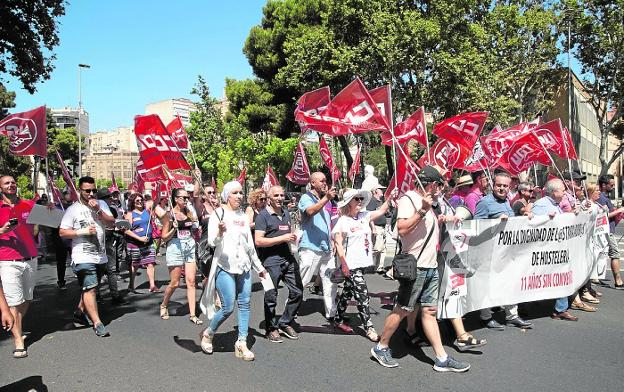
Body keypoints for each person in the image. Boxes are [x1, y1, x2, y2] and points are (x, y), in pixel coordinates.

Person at [371, 166, 470, 372]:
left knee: (429, 311)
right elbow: (402, 229)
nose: (440, 190)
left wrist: (443, 217)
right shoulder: (410, 200)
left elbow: (427, 229)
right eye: (439, 186)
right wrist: (423, 210)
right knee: (402, 309)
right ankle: (381, 347)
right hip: (416, 266)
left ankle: (441, 358)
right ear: (432, 185)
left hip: (430, 266)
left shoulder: (430, 203)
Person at [199, 181, 267, 361]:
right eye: (235, 193)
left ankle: (242, 342)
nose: (239, 196)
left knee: (245, 303)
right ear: (227, 196)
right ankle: (209, 333)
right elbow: (212, 243)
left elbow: (249, 245)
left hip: (244, 266)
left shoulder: (244, 217)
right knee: (228, 307)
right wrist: (220, 232)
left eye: (240, 193)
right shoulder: (218, 214)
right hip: (225, 267)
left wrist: (259, 267)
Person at [474, 171, 533, 330]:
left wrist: (523, 217)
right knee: (487, 285)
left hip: (507, 252)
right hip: (489, 252)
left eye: (505, 186)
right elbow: (476, 228)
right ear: (493, 185)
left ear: (510, 187)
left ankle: (512, 316)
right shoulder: (484, 203)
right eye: (499, 185)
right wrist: (495, 222)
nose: (502, 188)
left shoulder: (507, 202)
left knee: (510, 283)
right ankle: (485, 317)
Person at [60, 176, 115, 337]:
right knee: (90, 288)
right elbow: (62, 232)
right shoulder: (73, 209)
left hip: (100, 255)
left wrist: (98, 209)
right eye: (87, 191)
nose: (91, 194)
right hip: (82, 256)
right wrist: (81, 232)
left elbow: (111, 222)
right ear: (80, 191)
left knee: (91, 287)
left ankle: (79, 312)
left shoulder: (101, 204)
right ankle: (97, 323)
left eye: (93, 190)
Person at [333, 188, 392, 341]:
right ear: (349, 203)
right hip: (350, 265)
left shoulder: (365, 216)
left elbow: (382, 210)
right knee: (362, 295)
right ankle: (369, 328)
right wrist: (344, 264)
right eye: (356, 199)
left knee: (347, 292)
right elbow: (338, 244)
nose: (360, 201)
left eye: (361, 199)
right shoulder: (343, 221)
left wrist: (391, 197)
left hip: (362, 264)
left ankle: (338, 319)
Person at [254, 185, 302, 343]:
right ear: (269, 199)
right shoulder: (262, 216)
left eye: (282, 195)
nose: (280, 198)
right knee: (271, 296)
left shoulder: (286, 214)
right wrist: (282, 238)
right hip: (271, 261)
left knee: (298, 292)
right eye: (276, 196)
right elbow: (258, 241)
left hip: (288, 258)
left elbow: (287, 234)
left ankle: (285, 322)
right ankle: (271, 328)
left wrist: (294, 238)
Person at [0, 175, 39, 357]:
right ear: (1, 188)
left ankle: (17, 322)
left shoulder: (28, 205)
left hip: (30, 257)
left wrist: (48, 208)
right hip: (8, 261)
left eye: (13, 182)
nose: (11, 185)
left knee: (27, 299)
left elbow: (48, 219)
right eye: (7, 183)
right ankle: (18, 341)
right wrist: (2, 230)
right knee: (14, 302)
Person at [531, 178, 579, 321]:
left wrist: (573, 215)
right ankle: (526, 306)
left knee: (562, 275)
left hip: (556, 248)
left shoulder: (555, 204)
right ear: (554, 192)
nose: (565, 192)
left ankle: (560, 309)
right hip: (544, 250)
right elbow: (534, 224)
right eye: (563, 190)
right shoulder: (541, 205)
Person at [297, 172, 339, 325]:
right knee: (303, 280)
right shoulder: (306, 197)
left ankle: (332, 314)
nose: (324, 183)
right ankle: (291, 310)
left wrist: (332, 239)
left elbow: (328, 223)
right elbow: (310, 211)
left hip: (326, 248)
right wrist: (327, 198)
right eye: (321, 181)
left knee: (331, 281)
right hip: (310, 247)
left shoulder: (326, 201)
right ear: (312, 183)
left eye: (325, 180)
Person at [159, 188, 202, 324]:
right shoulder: (169, 215)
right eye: (183, 198)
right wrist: (173, 228)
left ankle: (193, 314)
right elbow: (164, 237)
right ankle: (164, 304)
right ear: (176, 199)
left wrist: (196, 227)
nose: (186, 200)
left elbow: (193, 227)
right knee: (175, 283)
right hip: (175, 247)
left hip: (189, 246)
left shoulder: (189, 212)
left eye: (187, 197)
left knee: (191, 281)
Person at [97, 188, 128, 305]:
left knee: (112, 269)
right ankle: (96, 294)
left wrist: (120, 227)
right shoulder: (93, 210)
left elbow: (114, 223)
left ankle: (115, 295)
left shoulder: (112, 210)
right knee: (99, 270)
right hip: (98, 243)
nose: (111, 199)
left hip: (110, 242)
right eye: (107, 198)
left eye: (110, 197)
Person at [124, 193, 159, 293]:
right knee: (135, 265)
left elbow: (156, 201)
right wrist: (139, 238)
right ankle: (131, 285)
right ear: (133, 203)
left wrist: (159, 188)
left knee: (150, 263)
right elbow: (126, 230)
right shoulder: (130, 214)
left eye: (141, 200)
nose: (140, 202)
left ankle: (152, 286)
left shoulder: (147, 210)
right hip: (135, 244)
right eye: (137, 201)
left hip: (148, 242)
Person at [597, 174, 624, 289]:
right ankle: (618, 281)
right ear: (604, 185)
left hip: (608, 229)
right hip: (606, 231)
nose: (613, 187)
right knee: (615, 253)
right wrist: (619, 210)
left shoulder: (604, 197)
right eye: (611, 185)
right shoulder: (601, 198)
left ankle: (597, 277)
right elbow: (604, 216)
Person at [193, 175, 219, 281]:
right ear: (203, 196)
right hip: (206, 245)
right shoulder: (202, 208)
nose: (212, 194)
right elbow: (195, 195)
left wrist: (219, 206)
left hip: (219, 243)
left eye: (214, 192)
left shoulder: (220, 208)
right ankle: (206, 296)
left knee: (219, 274)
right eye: (209, 193)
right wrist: (198, 179)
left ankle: (218, 297)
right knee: (207, 277)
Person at [366, 183, 391, 273]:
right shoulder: (372, 201)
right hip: (376, 226)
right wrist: (373, 228)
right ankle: (368, 264)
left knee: (383, 249)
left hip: (382, 227)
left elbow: (388, 215)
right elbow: (369, 215)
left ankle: (379, 266)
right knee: (377, 248)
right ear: (375, 191)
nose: (382, 191)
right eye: (380, 189)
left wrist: (387, 212)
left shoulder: (381, 201)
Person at [51, 190, 73, 290]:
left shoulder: (73, 209)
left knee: (78, 261)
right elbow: (51, 225)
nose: (68, 203)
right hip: (60, 241)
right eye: (67, 201)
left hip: (73, 240)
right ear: (62, 199)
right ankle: (61, 281)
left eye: (70, 201)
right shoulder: (55, 209)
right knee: (61, 263)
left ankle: (82, 280)